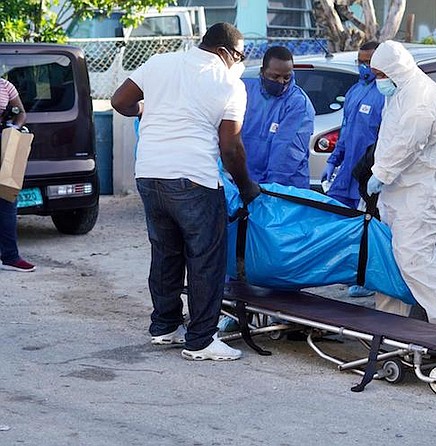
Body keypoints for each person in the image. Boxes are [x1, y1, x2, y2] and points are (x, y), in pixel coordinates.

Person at [111, 22, 260, 362]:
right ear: (225, 52)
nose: (238, 62)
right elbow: (231, 148)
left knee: (165, 253)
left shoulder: (160, 63)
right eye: (237, 56)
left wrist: (143, 110)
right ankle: (202, 340)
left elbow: (121, 101)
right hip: (194, 178)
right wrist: (246, 184)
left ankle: (164, 328)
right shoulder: (229, 84)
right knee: (205, 258)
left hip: (149, 173)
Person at [366, 40, 436, 326]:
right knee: (391, 255)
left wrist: (381, 174)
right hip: (401, 192)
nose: (378, 81)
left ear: (394, 70)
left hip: (427, 192)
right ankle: (388, 323)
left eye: (380, 74)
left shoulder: (421, 96)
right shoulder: (399, 90)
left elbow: (408, 143)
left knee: (414, 256)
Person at [321, 41, 384, 298]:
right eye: (360, 61)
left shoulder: (385, 95)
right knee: (339, 223)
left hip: (368, 173)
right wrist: (333, 161)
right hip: (347, 171)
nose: (363, 66)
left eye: (369, 62)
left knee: (368, 227)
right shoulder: (355, 91)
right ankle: (347, 272)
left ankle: (367, 279)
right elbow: (346, 132)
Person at [241, 46, 315, 188]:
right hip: (248, 182)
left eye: (286, 77)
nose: (281, 81)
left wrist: (269, 190)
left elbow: (286, 155)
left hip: (284, 187)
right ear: (262, 72)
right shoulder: (246, 91)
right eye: (275, 77)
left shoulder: (298, 104)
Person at [0, 78, 35, 272]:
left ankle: (10, 257)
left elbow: (21, 112)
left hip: (4, 143)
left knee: (7, 197)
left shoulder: (5, 86)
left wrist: (15, 127)